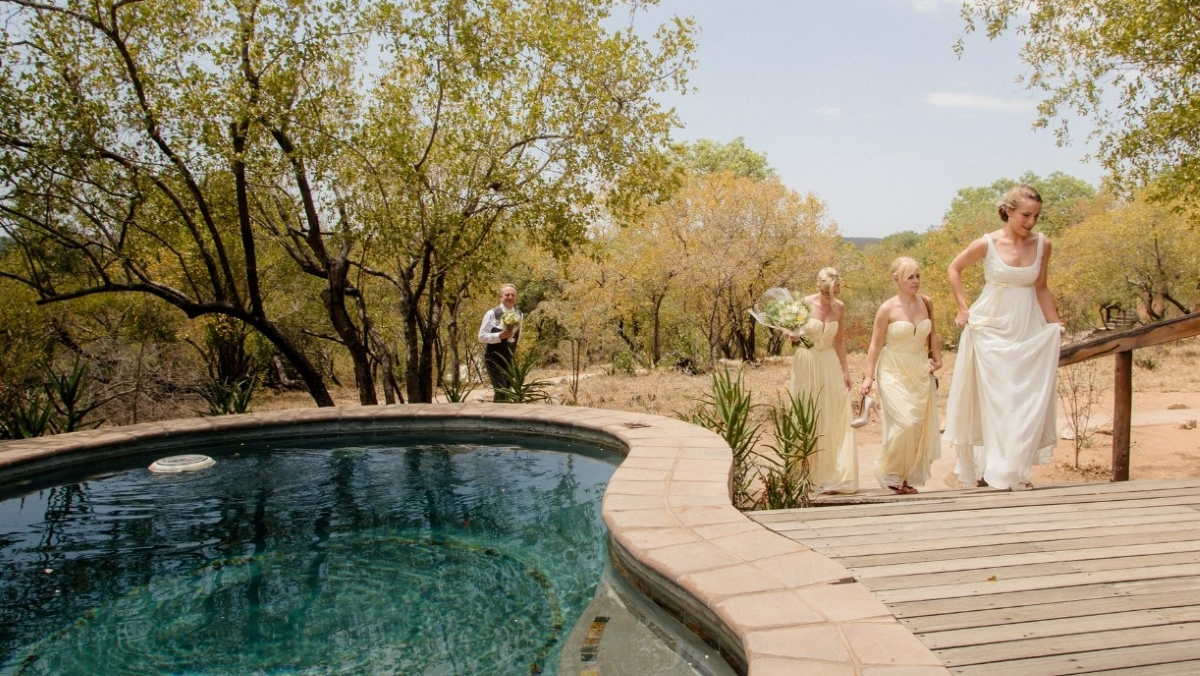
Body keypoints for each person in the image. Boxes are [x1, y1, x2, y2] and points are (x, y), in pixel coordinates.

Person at [943, 184, 1064, 491]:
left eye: (1036, 216)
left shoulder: (1042, 244)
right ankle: (995, 469)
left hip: (1027, 328)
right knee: (999, 400)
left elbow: (1041, 287)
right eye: (1025, 215)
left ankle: (1013, 468)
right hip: (991, 328)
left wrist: (1055, 324)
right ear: (1009, 211)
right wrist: (962, 308)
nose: (1031, 222)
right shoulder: (988, 243)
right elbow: (954, 268)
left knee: (1024, 399)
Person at [860, 257, 943, 495]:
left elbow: (932, 334)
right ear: (896, 279)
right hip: (892, 369)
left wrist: (938, 359)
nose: (916, 281)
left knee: (916, 425)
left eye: (918, 275)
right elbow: (875, 345)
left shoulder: (926, 302)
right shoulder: (887, 308)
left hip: (919, 369)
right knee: (904, 422)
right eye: (910, 277)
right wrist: (868, 378)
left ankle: (903, 477)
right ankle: (888, 472)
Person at [784, 267, 858, 494]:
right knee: (807, 414)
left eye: (834, 291)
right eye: (827, 292)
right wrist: (792, 335)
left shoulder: (840, 307)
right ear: (819, 287)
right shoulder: (803, 304)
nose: (831, 296)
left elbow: (839, 341)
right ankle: (803, 473)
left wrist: (845, 371)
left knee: (832, 414)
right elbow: (788, 335)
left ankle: (829, 474)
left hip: (828, 363)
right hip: (806, 362)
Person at [478, 283, 522, 402]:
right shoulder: (492, 314)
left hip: (508, 359)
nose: (510, 297)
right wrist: (499, 335)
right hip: (493, 358)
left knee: (505, 392)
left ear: (516, 298)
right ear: (501, 297)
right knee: (502, 390)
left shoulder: (519, 314)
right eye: (507, 294)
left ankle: (497, 417)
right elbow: (481, 337)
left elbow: (518, 336)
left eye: (513, 295)